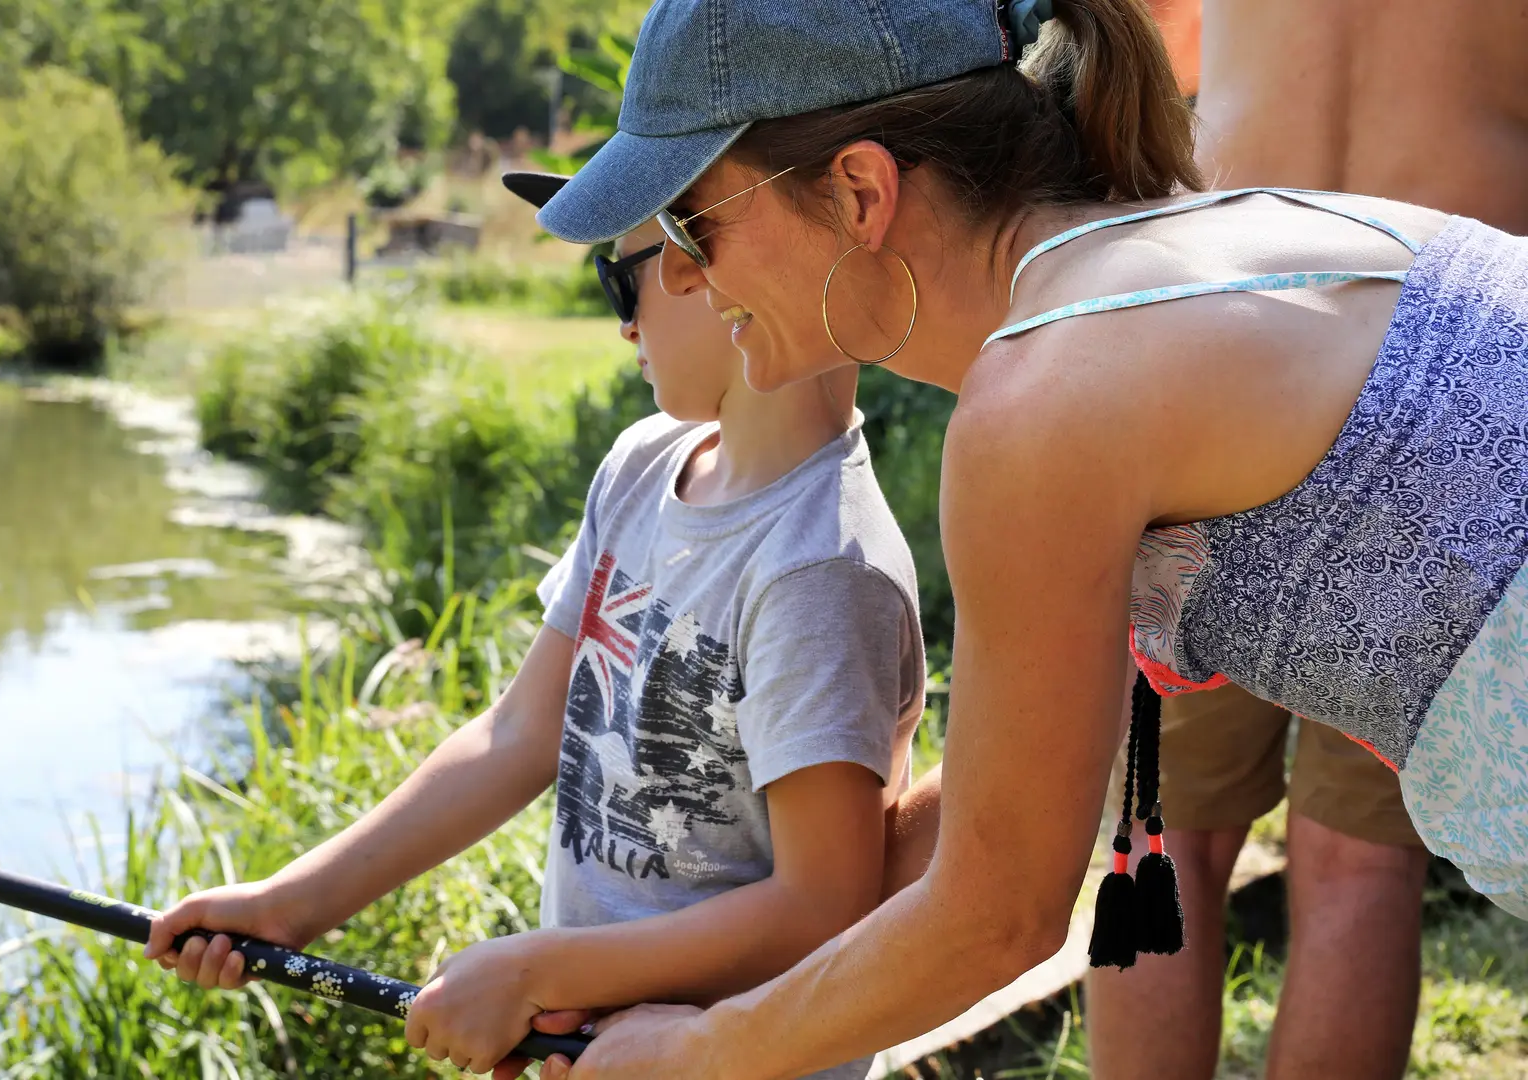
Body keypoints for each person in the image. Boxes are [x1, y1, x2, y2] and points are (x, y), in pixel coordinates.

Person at [512, 0, 1528, 1076]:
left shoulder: (1043, 397)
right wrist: (577, 973)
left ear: (860, 190)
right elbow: (1011, 807)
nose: (678, 274)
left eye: (693, 222)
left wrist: (692, 1056)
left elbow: (997, 916)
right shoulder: (1164, 255)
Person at [142, 170, 931, 1079]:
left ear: (704, 268)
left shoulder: (820, 570)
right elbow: (522, 730)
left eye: (617, 277)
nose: (625, 324)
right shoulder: (644, 465)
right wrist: (291, 905)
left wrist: (534, 970)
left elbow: (818, 908)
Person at [1085, 3, 1528, 1078]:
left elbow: (1149, 48)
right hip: (1447, 365)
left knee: (1159, 837)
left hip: (1216, 317)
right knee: (1358, 861)